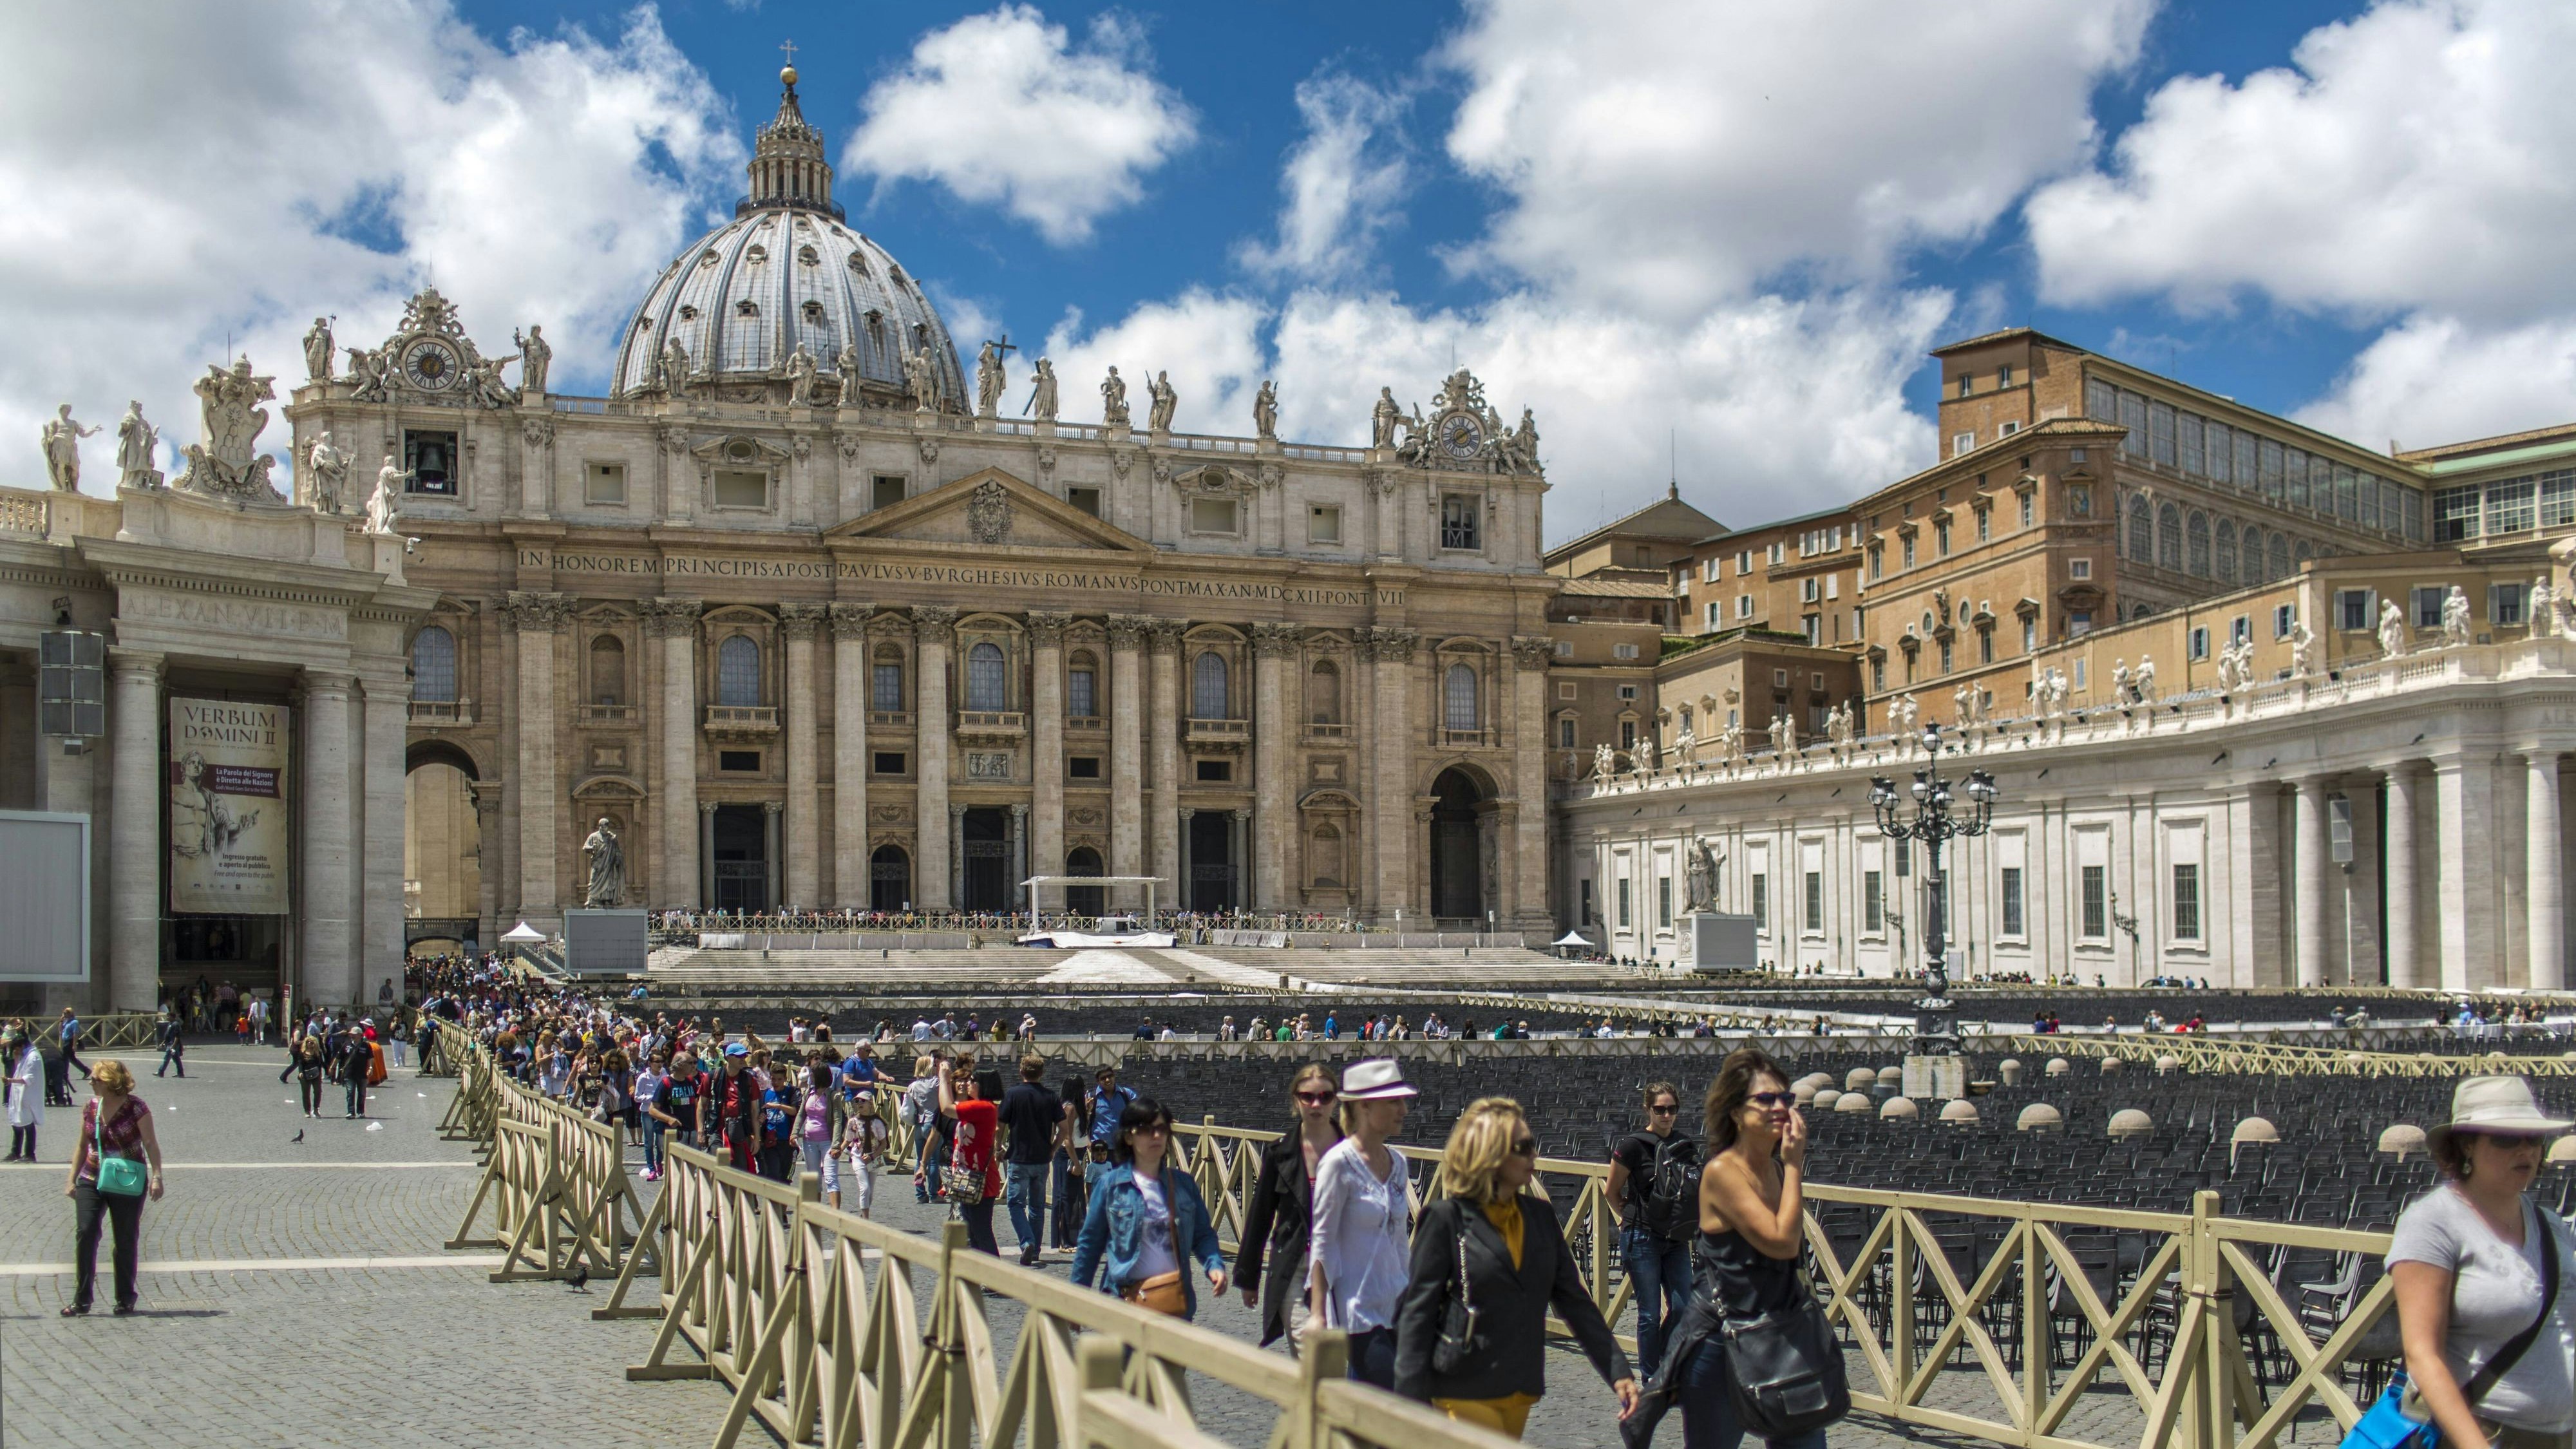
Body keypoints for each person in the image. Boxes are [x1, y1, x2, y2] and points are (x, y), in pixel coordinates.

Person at [1393, 1097, 1637, 1437]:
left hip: (1520, 1388)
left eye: (1531, 1145)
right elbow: (1416, 1315)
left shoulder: (1539, 1217)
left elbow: (1574, 1301)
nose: (1533, 1155)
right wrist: (1403, 1408)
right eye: (1521, 1147)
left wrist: (1618, 1370)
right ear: (1489, 1153)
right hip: (1462, 1388)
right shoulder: (1445, 1219)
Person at [1627, 1047, 1828, 1449]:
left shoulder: (1773, 1169)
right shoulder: (1722, 1173)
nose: (1780, 1109)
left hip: (1777, 1338)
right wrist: (1795, 1167)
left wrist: (1787, 1168)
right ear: (1736, 1111)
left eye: (1785, 1099)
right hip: (1723, 1345)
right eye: (1766, 1100)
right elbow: (1783, 1242)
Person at [2389, 1076, 2576, 1449]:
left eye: (2533, 1139)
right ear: (2467, 1145)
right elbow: (2422, 1356)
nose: (2525, 1150)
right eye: (2506, 1138)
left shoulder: (2551, 1225)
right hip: (2482, 1435)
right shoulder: (2432, 1222)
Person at [1307, 1058, 1417, 1389]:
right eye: (1394, 1102)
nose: (1403, 1110)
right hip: (1359, 1312)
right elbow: (1322, 1241)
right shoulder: (1338, 1164)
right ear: (1366, 1107)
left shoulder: (1398, 1162)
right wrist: (1317, 1313)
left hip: (1398, 1306)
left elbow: (1400, 1238)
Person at [1072, 1096, 1227, 1320]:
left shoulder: (1184, 1184)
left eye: (1162, 1129)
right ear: (1128, 1136)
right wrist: (1076, 1299)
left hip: (1173, 1304)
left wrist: (1214, 1265)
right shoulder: (1111, 1186)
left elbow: (1203, 1235)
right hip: (1123, 1304)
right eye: (1145, 1130)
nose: (1156, 1136)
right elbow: (1090, 1245)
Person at [1238, 1063, 1343, 1352]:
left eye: (1325, 1096)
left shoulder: (1354, 1152)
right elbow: (1260, 1216)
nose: (1316, 1104)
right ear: (1296, 1100)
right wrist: (1249, 1277)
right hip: (1295, 1266)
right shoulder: (1279, 1153)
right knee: (1312, 1352)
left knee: (1344, 1358)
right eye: (1308, 1096)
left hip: (1344, 1267)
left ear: (1336, 1100)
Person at [1608, 1081, 1700, 1374]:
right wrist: (1623, 1219)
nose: (1666, 1115)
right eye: (1659, 1109)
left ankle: (1663, 1362)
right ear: (1647, 1109)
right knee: (1648, 1313)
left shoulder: (1685, 1146)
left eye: (1672, 1109)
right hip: (1642, 1236)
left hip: (1676, 1237)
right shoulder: (1631, 1146)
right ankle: (1651, 1378)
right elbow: (1612, 1190)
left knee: (1685, 1307)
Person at [63, 1059, 164, 1316]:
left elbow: (150, 1143)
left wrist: (157, 1177)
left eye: (95, 1079)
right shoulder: (91, 1107)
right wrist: (71, 1178)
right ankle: (82, 1299)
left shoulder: (136, 1107)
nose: (91, 1082)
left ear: (110, 1081)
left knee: (125, 1237)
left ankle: (125, 1297)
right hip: (92, 1176)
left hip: (127, 1179)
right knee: (85, 1232)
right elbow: (82, 1145)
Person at [999, 1054, 1061, 1265]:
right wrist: (1054, 1148)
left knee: (1015, 1204)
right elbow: (1064, 1129)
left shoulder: (1013, 1095)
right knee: (1037, 1206)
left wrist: (998, 1146)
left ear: (1021, 1071)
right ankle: (1034, 1251)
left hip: (1019, 1157)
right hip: (1042, 1159)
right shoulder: (1051, 1096)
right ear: (1042, 1073)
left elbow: (1001, 1124)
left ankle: (1027, 1242)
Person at [939, 1056, 1002, 1254]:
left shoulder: (983, 1107)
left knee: (981, 1231)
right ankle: (981, 1274)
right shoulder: (978, 1106)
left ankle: (994, 1277)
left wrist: (943, 1078)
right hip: (967, 1177)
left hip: (980, 1180)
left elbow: (946, 1108)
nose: (968, 1083)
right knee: (972, 1231)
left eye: (973, 1081)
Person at [799, 1060, 847, 1199]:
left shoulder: (833, 1096)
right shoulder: (809, 1093)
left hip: (827, 1142)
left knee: (831, 1177)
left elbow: (838, 1120)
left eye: (812, 1074)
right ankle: (816, 1214)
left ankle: (834, 1214)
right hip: (809, 1141)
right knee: (814, 1179)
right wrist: (795, 1133)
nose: (810, 1077)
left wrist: (836, 1144)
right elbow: (801, 1114)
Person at [841, 1094, 889, 1218]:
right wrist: (838, 1151)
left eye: (863, 1101)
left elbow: (883, 1144)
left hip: (874, 1158)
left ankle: (863, 1215)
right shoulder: (853, 1121)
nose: (859, 1103)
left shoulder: (878, 1122)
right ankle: (866, 1221)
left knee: (870, 1193)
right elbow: (847, 1140)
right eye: (857, 1101)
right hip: (858, 1157)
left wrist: (873, 1156)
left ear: (870, 1103)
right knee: (865, 1188)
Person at [6, 1023, 41, 1160]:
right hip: (20, 1095)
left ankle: (30, 1153)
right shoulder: (25, 1056)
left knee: (28, 1124)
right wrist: (16, 1059)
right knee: (17, 1123)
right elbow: (18, 1072)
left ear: (22, 1046)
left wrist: (10, 1081)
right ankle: (16, 1152)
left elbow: (28, 1079)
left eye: (16, 1049)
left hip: (28, 1095)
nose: (16, 1052)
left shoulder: (33, 1057)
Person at [337, 1024, 372, 1118]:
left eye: (354, 1034)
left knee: (362, 1093)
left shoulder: (366, 1046)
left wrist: (370, 1068)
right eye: (351, 1034)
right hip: (349, 1073)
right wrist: (332, 1067)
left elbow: (370, 1059)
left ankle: (361, 1111)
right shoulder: (347, 1044)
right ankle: (351, 1112)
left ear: (360, 1035)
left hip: (362, 1073)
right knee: (350, 1093)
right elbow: (339, 1057)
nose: (352, 1035)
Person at [155, 1007, 185, 1079]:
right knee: (177, 1059)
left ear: (172, 1017)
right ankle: (180, 1073)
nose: (167, 1018)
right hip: (170, 1044)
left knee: (166, 1059)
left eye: (168, 1016)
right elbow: (168, 1035)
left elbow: (177, 1036)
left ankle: (160, 1072)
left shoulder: (176, 1024)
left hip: (172, 1045)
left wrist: (173, 1046)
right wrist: (163, 1042)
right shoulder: (170, 1024)